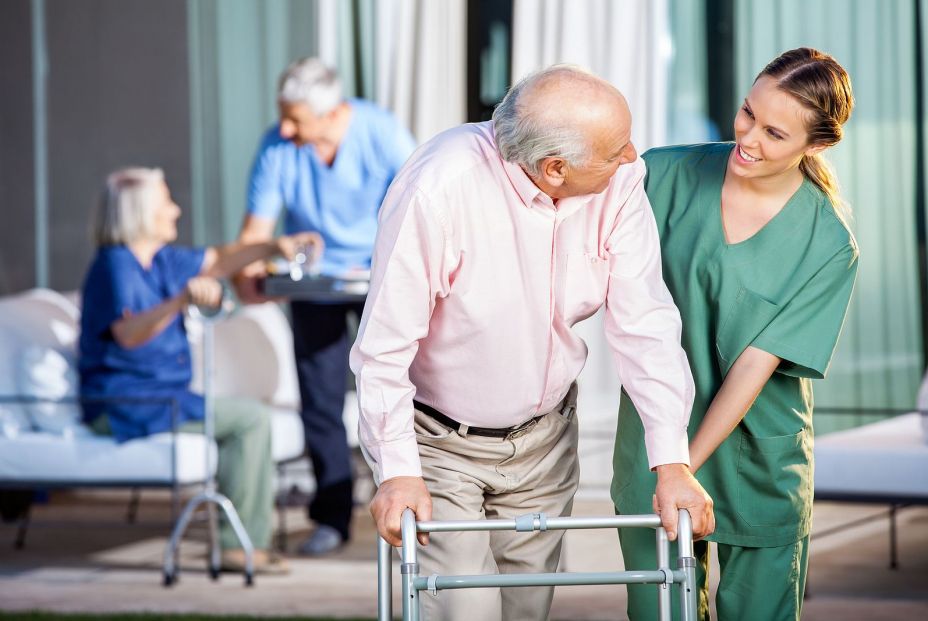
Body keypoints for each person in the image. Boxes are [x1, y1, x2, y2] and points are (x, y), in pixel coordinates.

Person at [351, 65, 715, 621]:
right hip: (441, 444)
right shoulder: (438, 189)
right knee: (465, 612)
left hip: (546, 441)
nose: (632, 155)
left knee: (528, 611)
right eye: (616, 147)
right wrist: (399, 471)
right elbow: (383, 347)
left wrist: (672, 463)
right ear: (554, 169)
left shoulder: (619, 183)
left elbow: (647, 327)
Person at [612, 47, 858, 621]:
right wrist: (667, 466)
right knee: (659, 612)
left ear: (815, 146)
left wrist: (683, 467)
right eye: (748, 112)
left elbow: (754, 366)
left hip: (757, 458)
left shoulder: (828, 243)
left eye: (775, 133)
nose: (747, 137)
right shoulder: (663, 175)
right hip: (654, 447)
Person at [79, 167, 321, 574]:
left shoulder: (162, 260)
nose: (175, 211)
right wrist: (178, 302)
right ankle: (235, 546)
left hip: (166, 398)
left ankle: (241, 540)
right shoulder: (115, 266)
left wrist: (272, 247)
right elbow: (128, 334)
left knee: (249, 415)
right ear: (141, 213)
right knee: (249, 418)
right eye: (166, 203)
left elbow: (221, 259)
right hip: (125, 403)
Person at [233, 58, 416, 556]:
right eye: (282, 116)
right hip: (316, 286)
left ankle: (422, 508)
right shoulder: (278, 146)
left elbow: (422, 207)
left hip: (383, 278)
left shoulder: (379, 131)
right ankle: (332, 517)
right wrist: (246, 273)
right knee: (321, 402)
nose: (285, 128)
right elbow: (256, 231)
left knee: (412, 390)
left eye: (295, 119)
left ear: (333, 112)